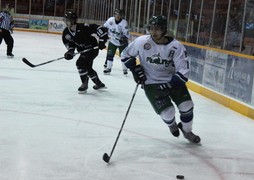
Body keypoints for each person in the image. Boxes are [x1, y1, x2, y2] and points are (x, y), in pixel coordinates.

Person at [121, 15, 201, 144]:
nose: (153, 32)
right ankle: (172, 124)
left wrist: (170, 85)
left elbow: (184, 70)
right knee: (168, 112)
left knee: (187, 106)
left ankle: (187, 131)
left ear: (164, 29)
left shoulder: (176, 47)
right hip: (152, 83)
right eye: (151, 28)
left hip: (173, 81)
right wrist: (135, 69)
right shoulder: (142, 42)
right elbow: (125, 54)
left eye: (157, 29)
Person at [62, 11, 108, 94]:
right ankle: (99, 84)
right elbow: (70, 44)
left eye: (67, 20)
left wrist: (102, 41)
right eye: (65, 20)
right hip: (83, 51)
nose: (66, 22)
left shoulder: (83, 27)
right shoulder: (66, 32)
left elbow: (100, 28)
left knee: (80, 63)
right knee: (87, 68)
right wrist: (70, 52)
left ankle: (84, 84)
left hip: (92, 49)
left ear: (73, 21)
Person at [103, 9, 130, 75]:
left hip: (121, 43)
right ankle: (108, 68)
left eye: (119, 15)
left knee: (123, 56)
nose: (118, 16)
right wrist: (104, 33)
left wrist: (123, 38)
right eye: (116, 14)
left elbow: (126, 34)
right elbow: (104, 27)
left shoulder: (124, 23)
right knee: (110, 55)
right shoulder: (110, 20)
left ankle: (125, 69)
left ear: (121, 16)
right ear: (114, 15)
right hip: (112, 41)